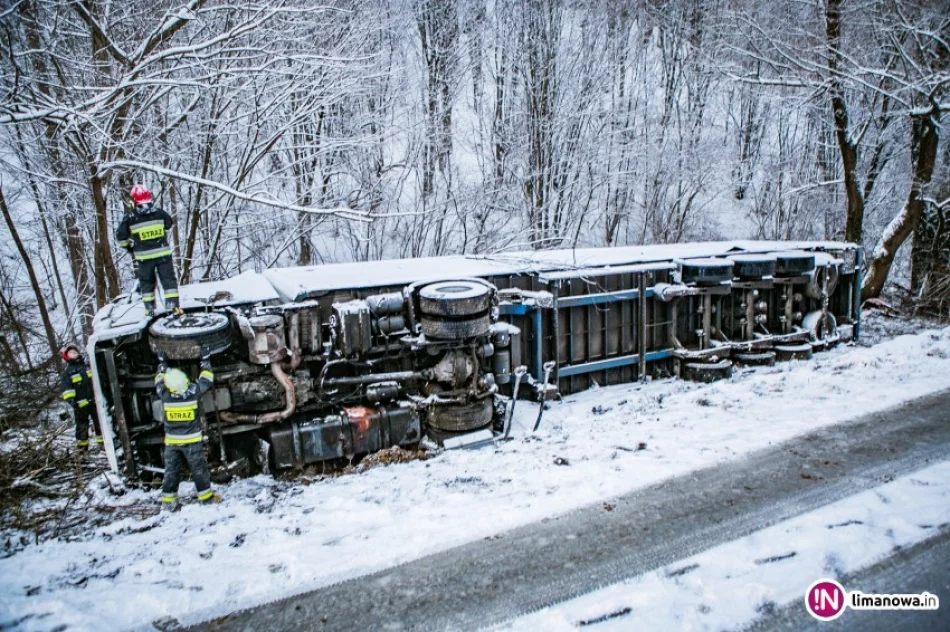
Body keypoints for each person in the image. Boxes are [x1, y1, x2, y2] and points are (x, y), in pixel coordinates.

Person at [154, 350, 220, 510]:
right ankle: (206, 499)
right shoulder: (192, 392)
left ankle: (169, 502)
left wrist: (162, 363)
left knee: (171, 472)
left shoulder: (165, 395)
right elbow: (206, 379)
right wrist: (205, 360)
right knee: (199, 471)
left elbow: (159, 380)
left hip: (172, 443)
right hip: (192, 443)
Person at [115, 184, 181, 317]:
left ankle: (149, 309)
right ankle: (173, 306)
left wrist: (130, 248)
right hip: (163, 255)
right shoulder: (160, 213)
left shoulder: (130, 218)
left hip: (144, 259)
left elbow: (121, 237)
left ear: (134, 201)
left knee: (147, 283)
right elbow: (168, 224)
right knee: (169, 281)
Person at [60, 343, 103, 450]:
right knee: (82, 427)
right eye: (71, 352)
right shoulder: (67, 372)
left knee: (100, 424)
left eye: (75, 351)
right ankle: (82, 451)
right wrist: (73, 403)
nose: (74, 353)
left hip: (95, 402)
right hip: (80, 406)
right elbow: (67, 391)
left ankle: (104, 446)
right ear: (67, 356)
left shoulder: (87, 366)